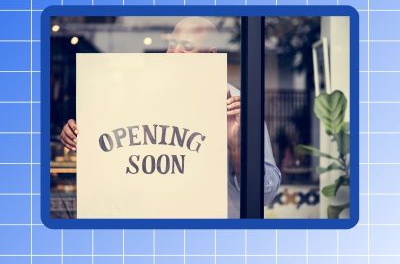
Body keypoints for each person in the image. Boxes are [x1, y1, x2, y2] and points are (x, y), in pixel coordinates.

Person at [60, 17, 281, 218]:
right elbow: (118, 159)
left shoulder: (237, 106)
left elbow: (266, 195)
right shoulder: (140, 99)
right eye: (171, 44)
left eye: (187, 47)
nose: (174, 53)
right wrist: (82, 137)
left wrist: (237, 146)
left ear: (211, 55)